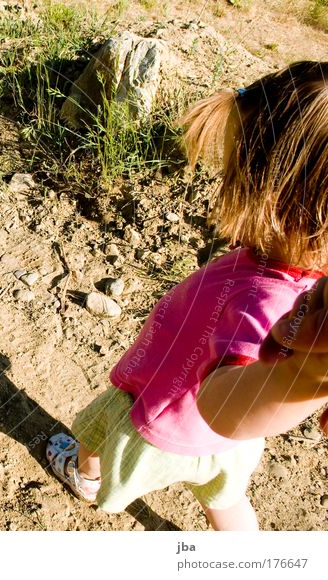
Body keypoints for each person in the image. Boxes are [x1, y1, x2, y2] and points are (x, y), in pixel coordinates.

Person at [46, 61, 328, 531]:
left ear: (278, 195)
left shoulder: (270, 302)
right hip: (231, 448)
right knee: (226, 500)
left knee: (95, 434)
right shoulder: (299, 275)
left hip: (155, 412)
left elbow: (223, 405)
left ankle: (85, 474)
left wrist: (303, 374)